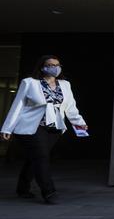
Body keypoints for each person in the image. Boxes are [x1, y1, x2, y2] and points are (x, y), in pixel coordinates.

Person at [1, 55, 88, 204]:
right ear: (42, 67)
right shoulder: (30, 83)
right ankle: (49, 192)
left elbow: (70, 107)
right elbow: (18, 106)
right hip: (32, 127)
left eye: (57, 65)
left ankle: (22, 188)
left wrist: (79, 123)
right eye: (50, 64)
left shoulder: (65, 84)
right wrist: (7, 128)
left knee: (35, 158)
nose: (54, 67)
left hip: (54, 129)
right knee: (41, 157)